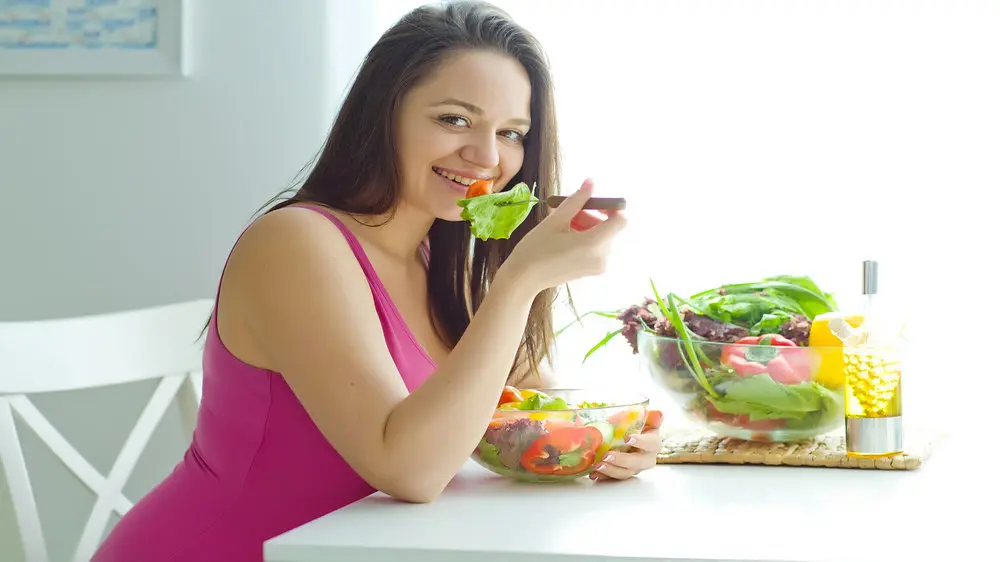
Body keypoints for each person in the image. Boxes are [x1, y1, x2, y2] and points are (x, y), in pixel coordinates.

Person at [93, 2, 662, 561]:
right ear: (382, 114)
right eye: (454, 119)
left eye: (512, 132)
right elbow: (410, 470)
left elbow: (529, 418)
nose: (486, 155)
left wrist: (613, 441)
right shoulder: (296, 245)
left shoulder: (446, 261)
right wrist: (520, 281)